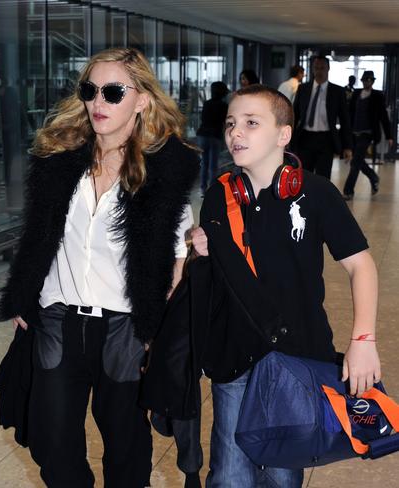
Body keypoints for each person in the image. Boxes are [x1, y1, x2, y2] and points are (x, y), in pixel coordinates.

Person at [0, 47, 199, 487]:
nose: (97, 103)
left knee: (125, 444)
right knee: (51, 442)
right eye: (90, 90)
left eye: (112, 92)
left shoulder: (163, 172)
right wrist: (25, 292)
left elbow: (177, 258)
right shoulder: (59, 159)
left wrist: (158, 331)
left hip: (124, 327)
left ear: (142, 99)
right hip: (58, 318)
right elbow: (38, 237)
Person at [191, 84, 380, 487]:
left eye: (251, 123)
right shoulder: (220, 196)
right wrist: (200, 250)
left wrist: (364, 340)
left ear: (283, 135)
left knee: (281, 473)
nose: (235, 133)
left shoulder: (316, 194)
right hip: (233, 355)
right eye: (231, 124)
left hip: (295, 358)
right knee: (229, 473)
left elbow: (360, 265)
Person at [292, 55, 353, 179]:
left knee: (323, 177)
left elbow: (345, 120)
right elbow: (294, 114)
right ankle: (305, 198)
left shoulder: (337, 91)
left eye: (322, 68)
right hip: (305, 138)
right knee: (303, 176)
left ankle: (321, 198)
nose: (319, 71)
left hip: (326, 139)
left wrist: (347, 146)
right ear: (313, 69)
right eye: (316, 68)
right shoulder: (303, 89)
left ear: (328, 69)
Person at [343, 70, 393, 200]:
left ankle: (348, 191)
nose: (368, 82)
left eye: (370, 80)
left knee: (355, 162)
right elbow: (349, 113)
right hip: (354, 133)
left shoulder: (377, 96)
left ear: (373, 81)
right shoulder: (356, 94)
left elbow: (383, 117)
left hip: (367, 134)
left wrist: (389, 136)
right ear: (362, 81)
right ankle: (373, 177)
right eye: (366, 80)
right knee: (357, 161)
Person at [197, 81, 229, 193]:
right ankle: (211, 189)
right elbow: (224, 123)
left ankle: (202, 188)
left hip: (203, 135)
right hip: (215, 136)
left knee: (204, 163)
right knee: (213, 165)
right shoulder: (224, 106)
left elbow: (203, 119)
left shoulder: (207, 103)